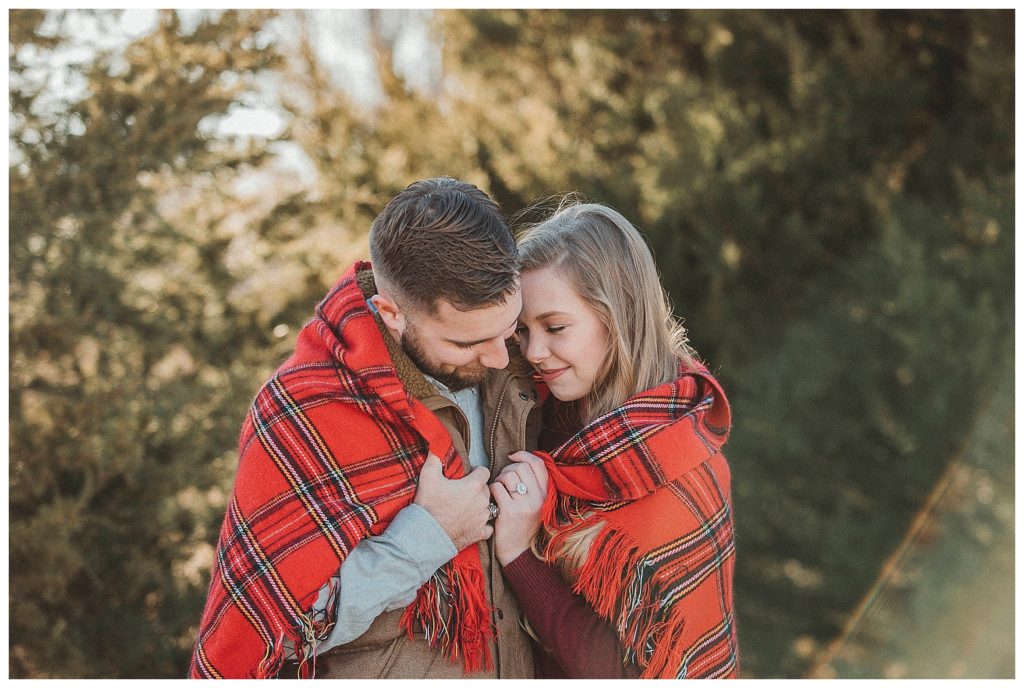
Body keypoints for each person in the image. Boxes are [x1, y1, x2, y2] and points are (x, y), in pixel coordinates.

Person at [189, 178, 542, 679]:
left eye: (509, 330)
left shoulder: (525, 366)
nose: (500, 357)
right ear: (391, 314)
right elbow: (274, 634)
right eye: (468, 344)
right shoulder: (304, 409)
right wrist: (427, 538)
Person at [489, 201, 739, 678]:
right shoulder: (542, 414)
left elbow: (624, 672)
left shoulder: (679, 455)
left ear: (618, 314)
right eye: (522, 331)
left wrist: (519, 554)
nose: (534, 352)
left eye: (555, 327)